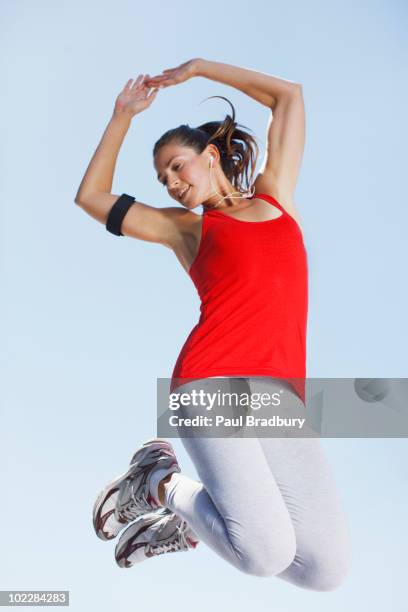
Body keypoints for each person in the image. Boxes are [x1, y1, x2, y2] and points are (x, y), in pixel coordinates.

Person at [75, 58, 352, 589]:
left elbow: (289, 96)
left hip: (278, 395)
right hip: (210, 380)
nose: (172, 182)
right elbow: (92, 198)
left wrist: (199, 69)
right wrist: (120, 118)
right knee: (261, 553)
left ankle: (187, 522)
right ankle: (155, 483)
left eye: (178, 166)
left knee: (324, 571)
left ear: (209, 155)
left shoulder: (277, 199)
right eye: (162, 177)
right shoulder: (186, 229)